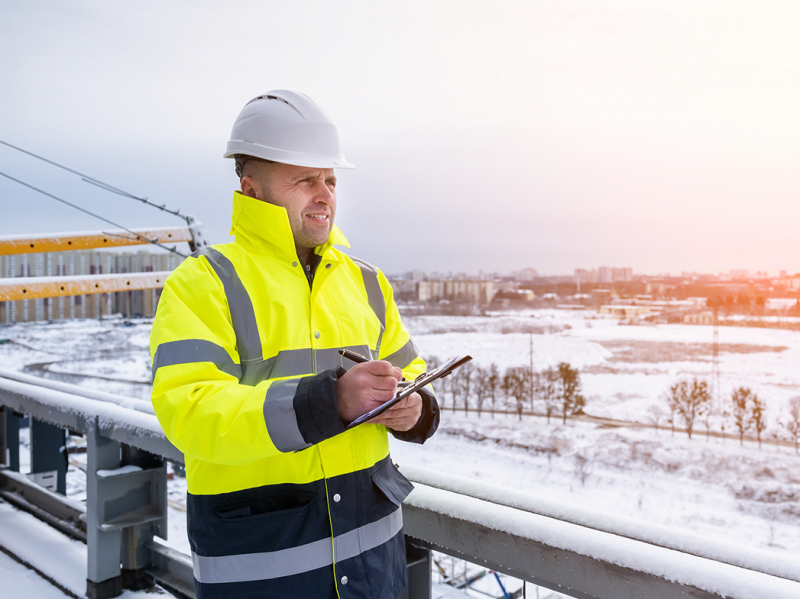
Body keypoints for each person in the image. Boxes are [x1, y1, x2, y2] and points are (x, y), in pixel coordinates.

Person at [149, 90, 440, 599]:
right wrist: (330, 400)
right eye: (305, 179)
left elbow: (409, 370)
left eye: (329, 179)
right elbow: (189, 412)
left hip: (374, 568)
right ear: (252, 189)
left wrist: (414, 407)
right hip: (263, 571)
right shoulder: (203, 284)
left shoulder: (367, 282)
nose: (324, 193)